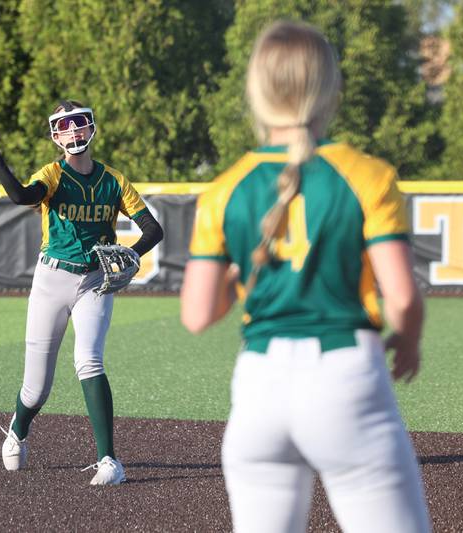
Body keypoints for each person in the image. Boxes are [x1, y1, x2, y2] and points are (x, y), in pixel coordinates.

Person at [180, 21, 431, 533]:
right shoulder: (367, 175)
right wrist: (408, 340)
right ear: (329, 88)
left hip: (259, 387)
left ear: (255, 92)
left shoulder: (224, 189)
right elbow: (402, 297)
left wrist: (240, 270)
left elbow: (197, 316)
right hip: (345, 375)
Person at [0, 99, 163, 485]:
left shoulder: (113, 181)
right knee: (36, 389)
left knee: (89, 360)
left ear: (91, 127)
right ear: (55, 135)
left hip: (94, 281)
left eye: (79, 123)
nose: (73, 131)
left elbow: (153, 229)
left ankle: (109, 461)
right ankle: (19, 428)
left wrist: (129, 254)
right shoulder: (52, 175)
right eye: (64, 126)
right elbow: (21, 196)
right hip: (51, 280)